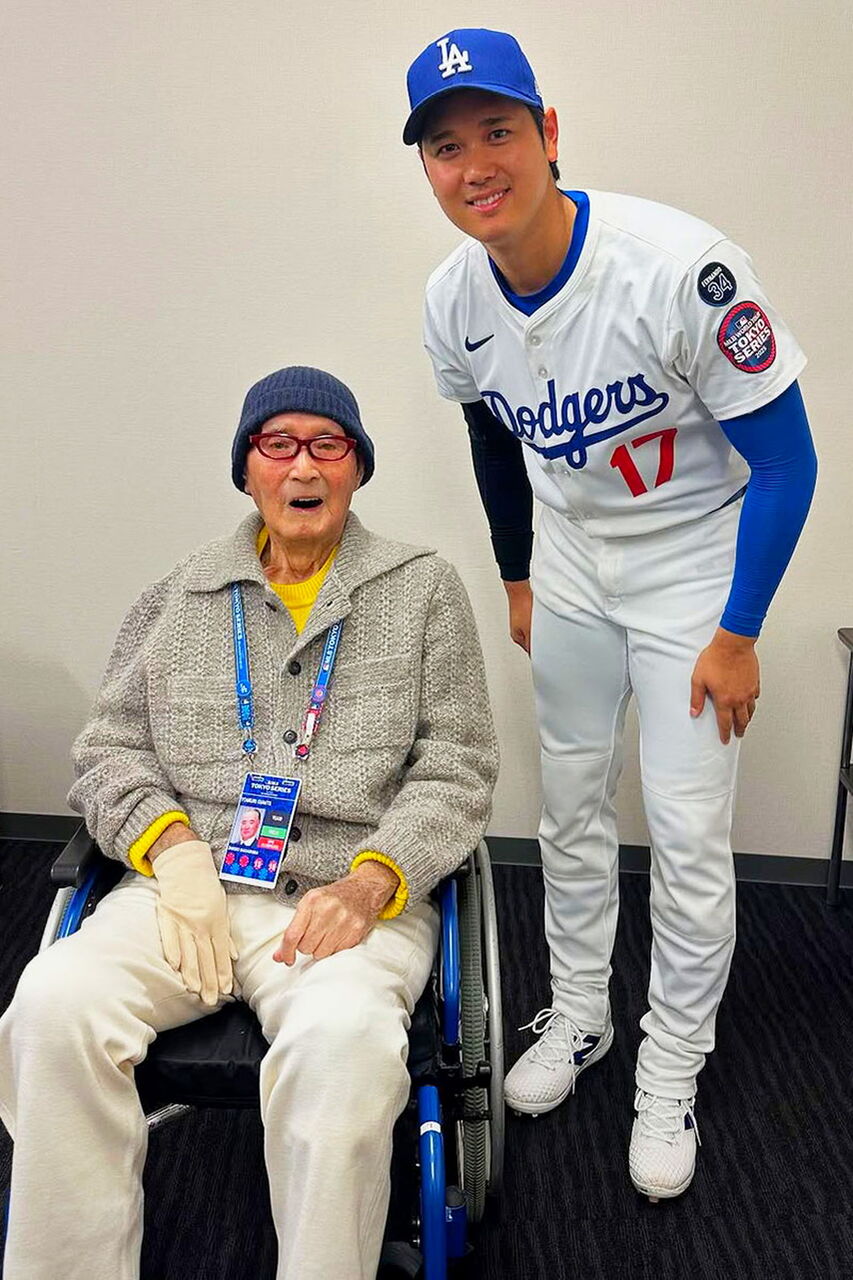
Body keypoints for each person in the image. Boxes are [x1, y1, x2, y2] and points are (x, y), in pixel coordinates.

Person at [403, 28, 817, 1200]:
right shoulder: (452, 297)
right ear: (427, 168)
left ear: (547, 133)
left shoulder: (678, 268)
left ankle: (670, 1065)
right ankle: (580, 1010)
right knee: (570, 799)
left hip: (694, 562)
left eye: (497, 131)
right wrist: (519, 573)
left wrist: (736, 632)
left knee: (685, 833)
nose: (475, 164)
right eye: (445, 146)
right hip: (576, 559)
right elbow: (492, 437)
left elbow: (788, 463)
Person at [0, 365, 498, 1279]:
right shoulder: (180, 594)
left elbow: (457, 766)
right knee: (51, 1006)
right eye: (278, 444)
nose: (303, 465)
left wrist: (373, 882)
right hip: (186, 893)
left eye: (327, 445)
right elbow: (108, 749)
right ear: (246, 469)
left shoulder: (422, 590)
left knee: (342, 1045)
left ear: (356, 468)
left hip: (342, 900)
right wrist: (173, 852)